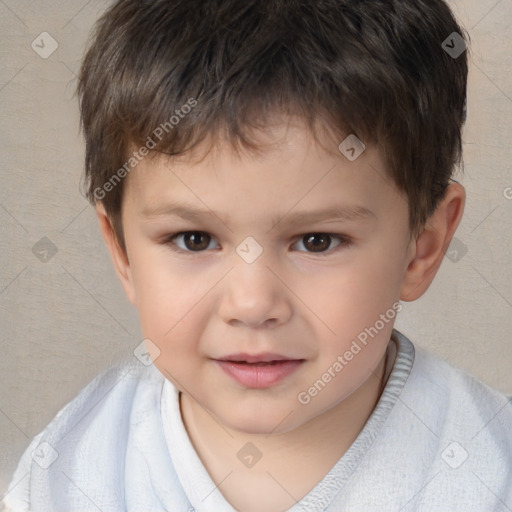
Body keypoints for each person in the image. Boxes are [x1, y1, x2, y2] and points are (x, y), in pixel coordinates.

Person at [3, 0, 512, 510]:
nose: (252, 304)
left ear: (421, 249)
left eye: (317, 241)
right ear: (122, 252)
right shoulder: (68, 473)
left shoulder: (490, 473)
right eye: (194, 239)